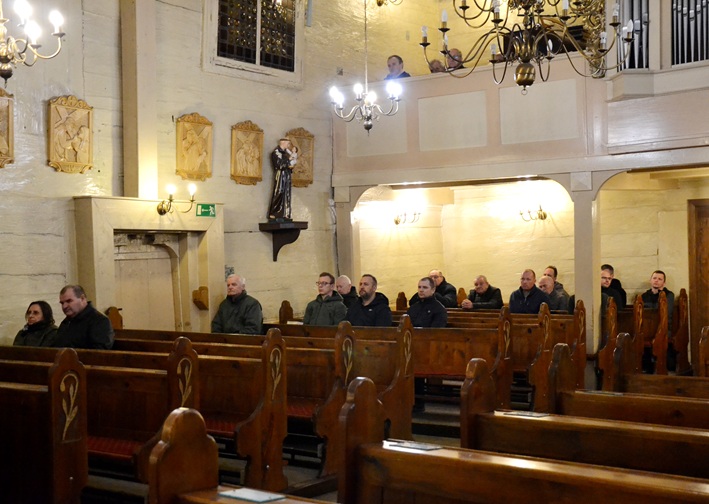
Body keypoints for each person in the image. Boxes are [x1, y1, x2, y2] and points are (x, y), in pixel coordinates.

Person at [53, 285, 114, 349]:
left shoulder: (100, 321)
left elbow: (99, 351)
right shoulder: (67, 322)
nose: (64, 306)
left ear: (82, 298)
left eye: (69, 301)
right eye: (62, 303)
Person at [267, 138, 294, 221]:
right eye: (288, 143)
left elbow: (287, 164)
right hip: (280, 175)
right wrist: (288, 160)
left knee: (287, 194)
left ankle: (285, 213)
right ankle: (275, 213)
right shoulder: (276, 152)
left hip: (286, 175)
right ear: (283, 143)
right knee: (279, 192)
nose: (288, 146)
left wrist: (290, 166)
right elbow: (279, 165)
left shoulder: (286, 153)